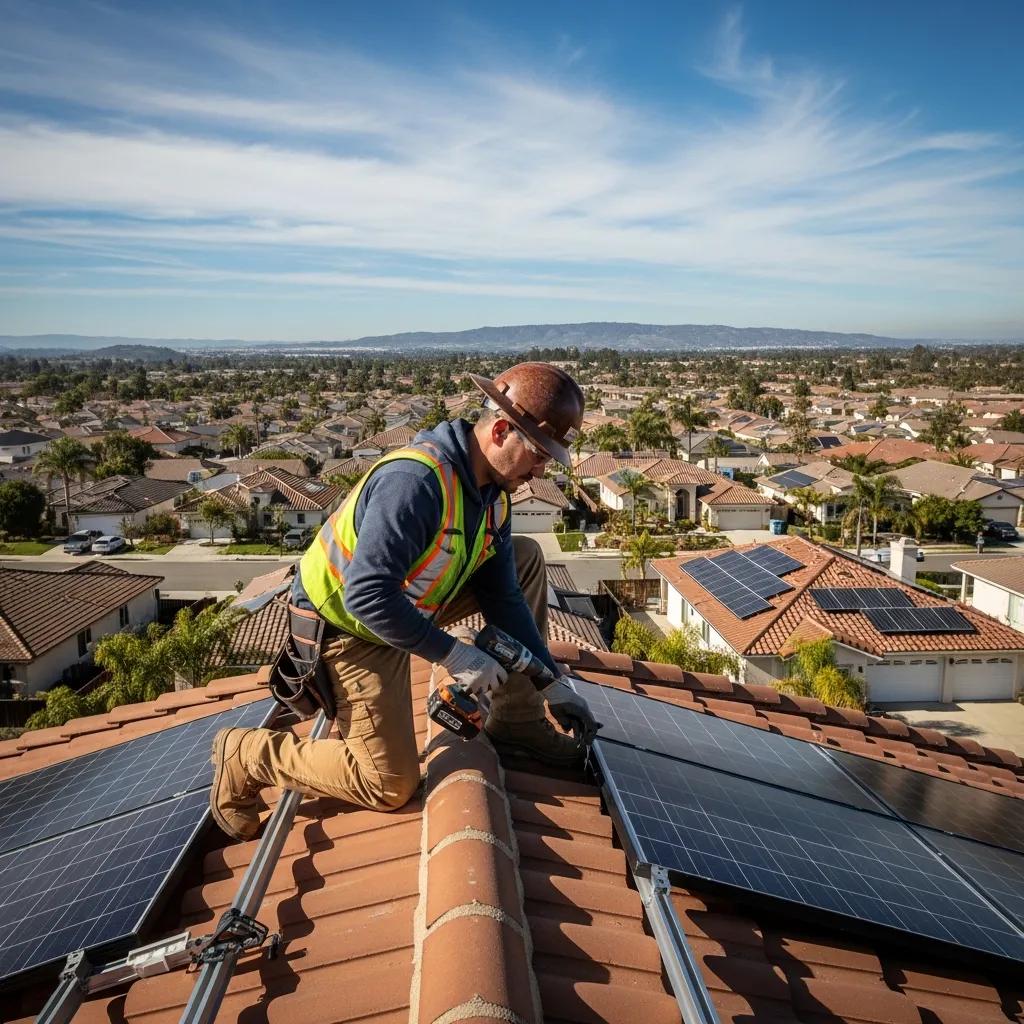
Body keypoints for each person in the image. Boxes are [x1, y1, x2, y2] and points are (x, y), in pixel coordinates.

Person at [210, 362, 599, 841]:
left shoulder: (494, 494)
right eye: (538, 455)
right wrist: (453, 654)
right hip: (350, 627)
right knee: (389, 784)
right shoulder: (416, 482)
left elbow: (503, 595)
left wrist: (549, 680)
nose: (540, 472)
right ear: (500, 431)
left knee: (525, 558)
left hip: (408, 606)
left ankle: (518, 721)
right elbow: (367, 595)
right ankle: (247, 754)